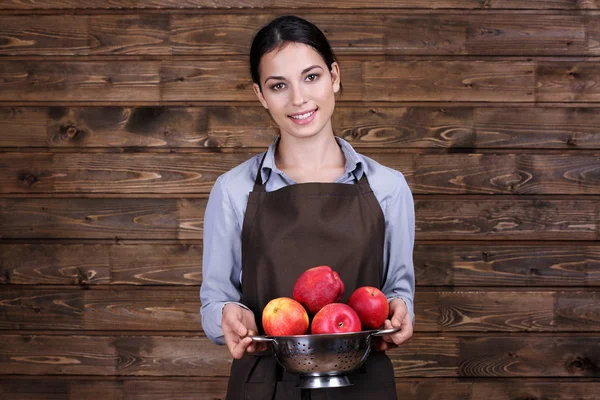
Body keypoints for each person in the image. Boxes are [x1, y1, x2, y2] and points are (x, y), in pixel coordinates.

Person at [200, 15, 415, 400]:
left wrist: (400, 309)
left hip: (362, 385)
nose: (298, 99)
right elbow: (216, 299)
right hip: (264, 386)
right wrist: (228, 317)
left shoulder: (388, 188)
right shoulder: (233, 190)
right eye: (278, 85)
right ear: (260, 95)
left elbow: (397, 289)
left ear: (334, 76)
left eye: (311, 76)